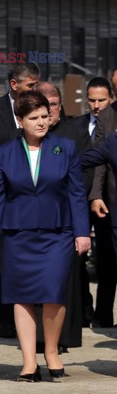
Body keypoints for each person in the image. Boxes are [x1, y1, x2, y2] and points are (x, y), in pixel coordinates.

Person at [0, 91, 90, 381]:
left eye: (45, 116)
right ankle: (29, 362)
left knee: (54, 293)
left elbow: (77, 193)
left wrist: (82, 232)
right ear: (20, 121)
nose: (42, 122)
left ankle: (51, 352)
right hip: (18, 235)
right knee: (22, 296)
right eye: (34, 118)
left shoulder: (64, 148)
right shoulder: (5, 152)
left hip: (58, 234)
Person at [0, 62, 40, 338]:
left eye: (37, 85)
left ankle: (34, 321)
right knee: (5, 267)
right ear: (14, 85)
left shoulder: (39, 112)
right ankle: (5, 322)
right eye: (30, 85)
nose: (34, 90)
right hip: (2, 204)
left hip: (34, 204)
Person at [36, 81, 93, 347]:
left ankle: (64, 337)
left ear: (61, 105)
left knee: (66, 279)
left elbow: (85, 174)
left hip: (68, 217)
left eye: (54, 105)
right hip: (35, 219)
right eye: (44, 107)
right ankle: (37, 337)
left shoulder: (75, 133)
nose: (49, 112)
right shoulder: (28, 136)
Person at [88, 78, 117, 327]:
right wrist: (96, 195)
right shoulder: (107, 117)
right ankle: (104, 316)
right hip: (111, 201)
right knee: (108, 260)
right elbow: (100, 160)